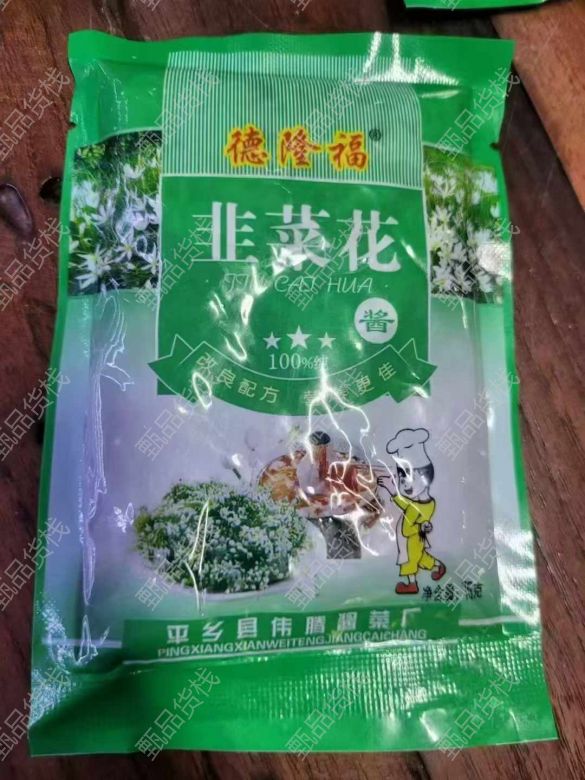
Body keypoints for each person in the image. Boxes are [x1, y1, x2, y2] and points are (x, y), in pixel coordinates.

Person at [377, 428, 446, 594]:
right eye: (403, 480)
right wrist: (392, 490)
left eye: (411, 478)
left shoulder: (417, 508)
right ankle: (439, 566)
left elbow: (407, 526)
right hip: (416, 540)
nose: (406, 484)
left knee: (409, 561)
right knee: (420, 558)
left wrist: (419, 527)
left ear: (426, 477)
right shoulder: (428, 503)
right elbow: (407, 504)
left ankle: (412, 585)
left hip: (410, 541)